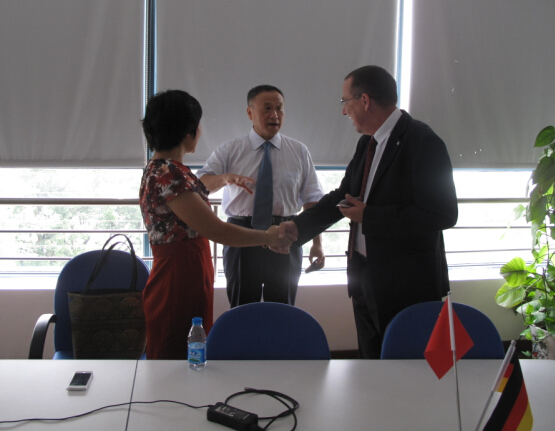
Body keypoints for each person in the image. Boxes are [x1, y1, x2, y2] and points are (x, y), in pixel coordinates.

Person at [278, 66, 458, 358]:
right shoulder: (368, 142)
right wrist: (298, 228)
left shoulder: (423, 141)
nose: (343, 111)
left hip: (406, 285)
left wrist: (371, 216)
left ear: (364, 101)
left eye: (345, 102)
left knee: (405, 370)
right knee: (370, 366)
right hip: (364, 278)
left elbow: (443, 214)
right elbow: (343, 197)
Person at [139, 89, 294, 359]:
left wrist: (226, 179)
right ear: (187, 131)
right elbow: (217, 230)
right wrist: (268, 237)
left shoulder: (166, 169)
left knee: (190, 346)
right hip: (179, 275)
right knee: (178, 349)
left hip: (187, 268)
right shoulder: (169, 173)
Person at [197, 85, 325, 307]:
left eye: (279, 108)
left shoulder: (299, 151)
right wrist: (225, 178)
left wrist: (317, 243)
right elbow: (200, 184)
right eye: (267, 108)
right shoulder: (230, 150)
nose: (274, 114)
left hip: (286, 234)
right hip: (241, 235)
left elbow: (312, 199)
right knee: (242, 308)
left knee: (283, 310)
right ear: (250, 113)